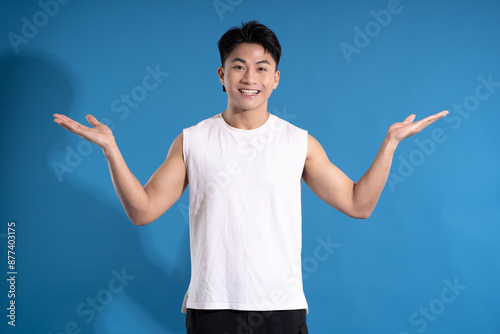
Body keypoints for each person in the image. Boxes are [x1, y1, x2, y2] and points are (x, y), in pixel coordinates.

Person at [53, 20, 448, 334]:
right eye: (239, 67)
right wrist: (111, 149)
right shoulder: (192, 140)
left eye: (262, 68)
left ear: (276, 78)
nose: (250, 78)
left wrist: (390, 144)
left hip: (282, 308)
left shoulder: (299, 142)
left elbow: (358, 204)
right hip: (212, 308)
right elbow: (143, 211)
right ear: (222, 74)